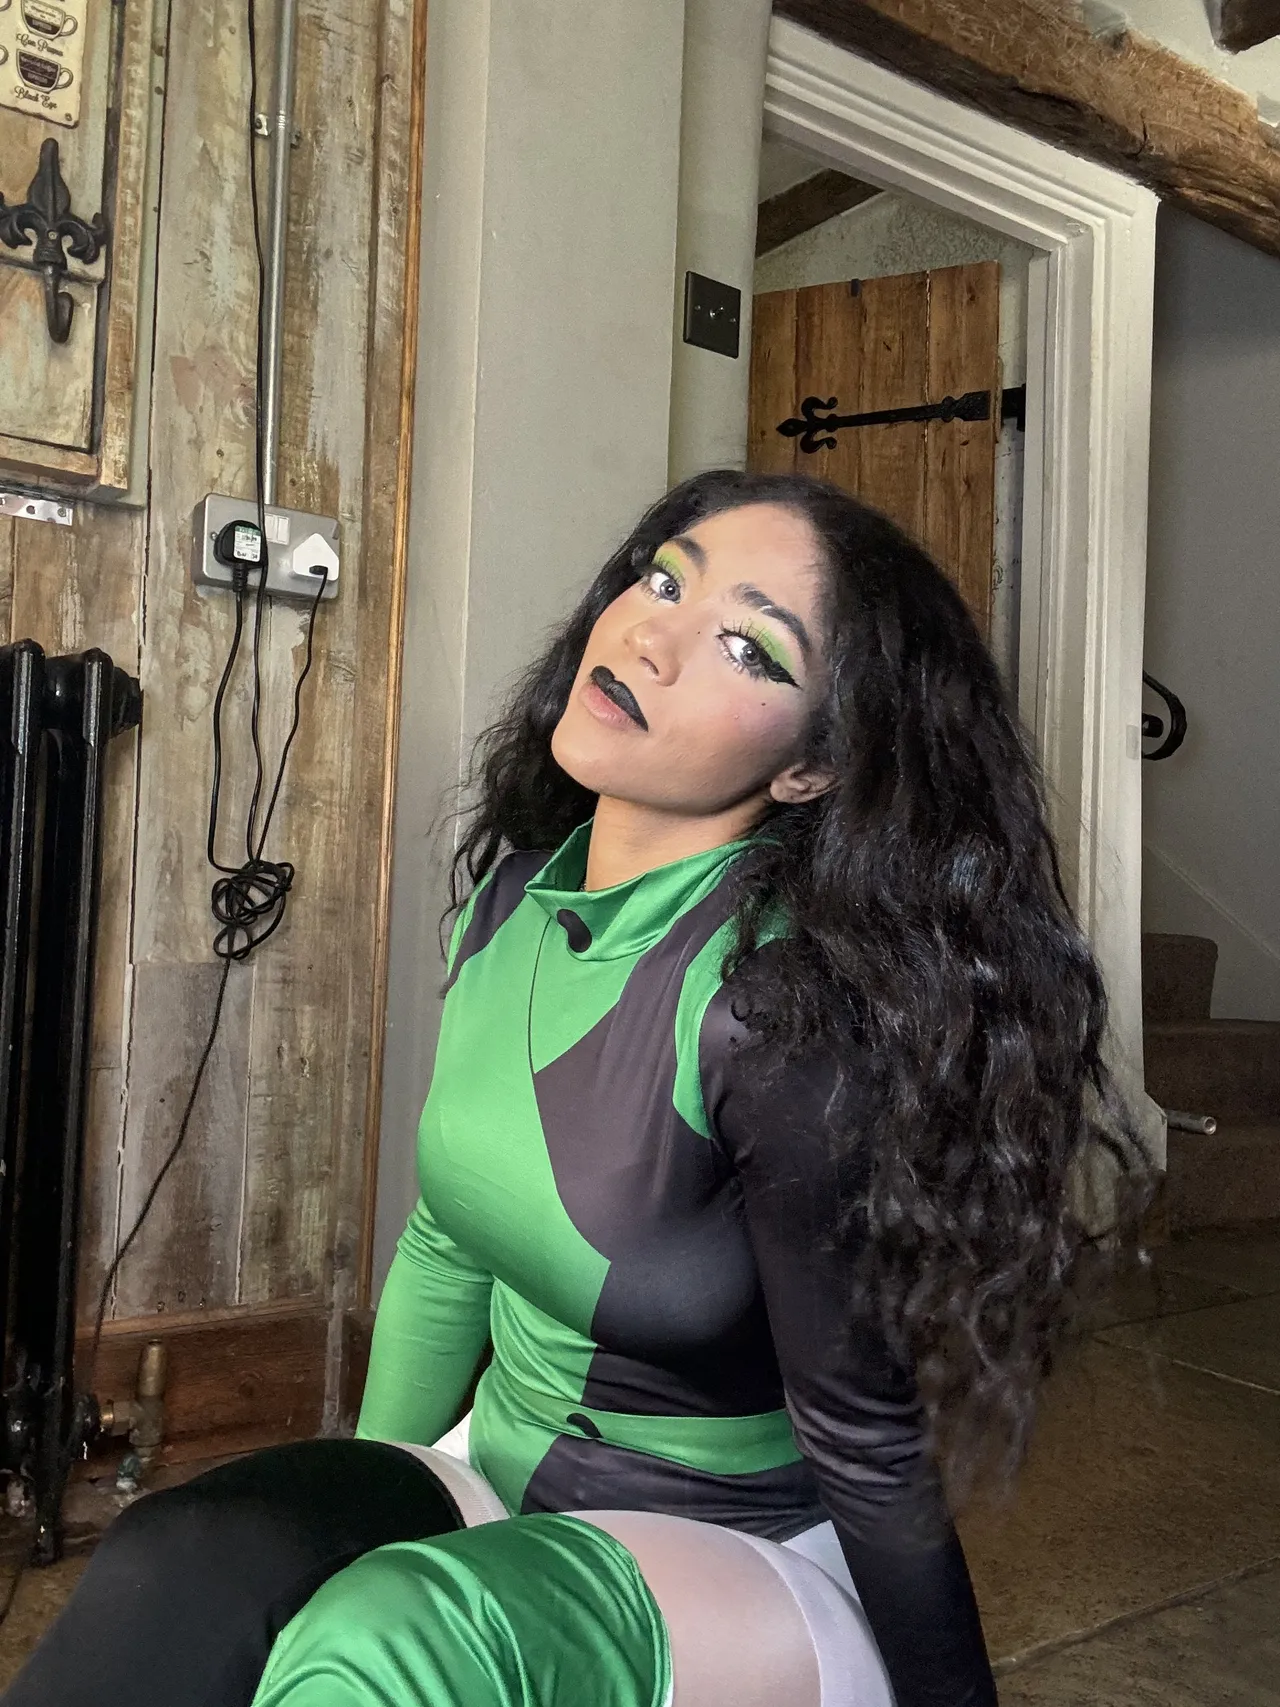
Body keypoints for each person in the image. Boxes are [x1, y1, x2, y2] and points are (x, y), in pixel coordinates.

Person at [5, 471, 1145, 1707]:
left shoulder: (774, 1015)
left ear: (812, 768)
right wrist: (362, 1498)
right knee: (184, 1559)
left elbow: (866, 1441)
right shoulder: (509, 904)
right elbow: (448, 1242)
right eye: (662, 579)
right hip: (499, 1476)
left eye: (747, 646)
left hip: (737, 1559)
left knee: (384, 1644)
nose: (650, 635)